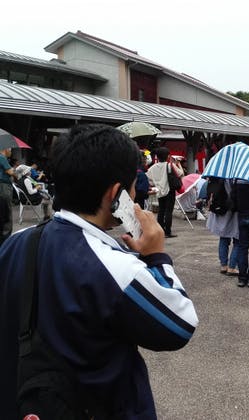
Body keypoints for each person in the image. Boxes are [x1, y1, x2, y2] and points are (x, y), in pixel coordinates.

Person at [0, 124, 198, 419]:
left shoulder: (17, 241)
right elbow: (180, 325)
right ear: (116, 194)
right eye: (132, 187)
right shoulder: (116, 267)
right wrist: (157, 256)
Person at [147, 147, 183, 238]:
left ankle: (161, 231)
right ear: (168, 156)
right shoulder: (170, 165)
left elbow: (149, 179)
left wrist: (156, 183)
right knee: (168, 211)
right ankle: (168, 231)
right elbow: (180, 173)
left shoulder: (152, 168)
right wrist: (178, 164)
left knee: (161, 210)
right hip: (169, 190)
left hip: (159, 191)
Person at [206, 179, 240, 276]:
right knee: (238, 239)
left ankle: (223, 265)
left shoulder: (219, 175)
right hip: (233, 210)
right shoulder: (235, 176)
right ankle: (232, 267)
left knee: (224, 238)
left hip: (221, 209)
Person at [0, 147, 16, 245]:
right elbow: (10, 172)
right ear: (6, 149)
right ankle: (6, 238)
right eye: (10, 150)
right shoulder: (2, 157)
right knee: (7, 211)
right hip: (4, 187)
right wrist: (17, 171)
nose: (11, 152)